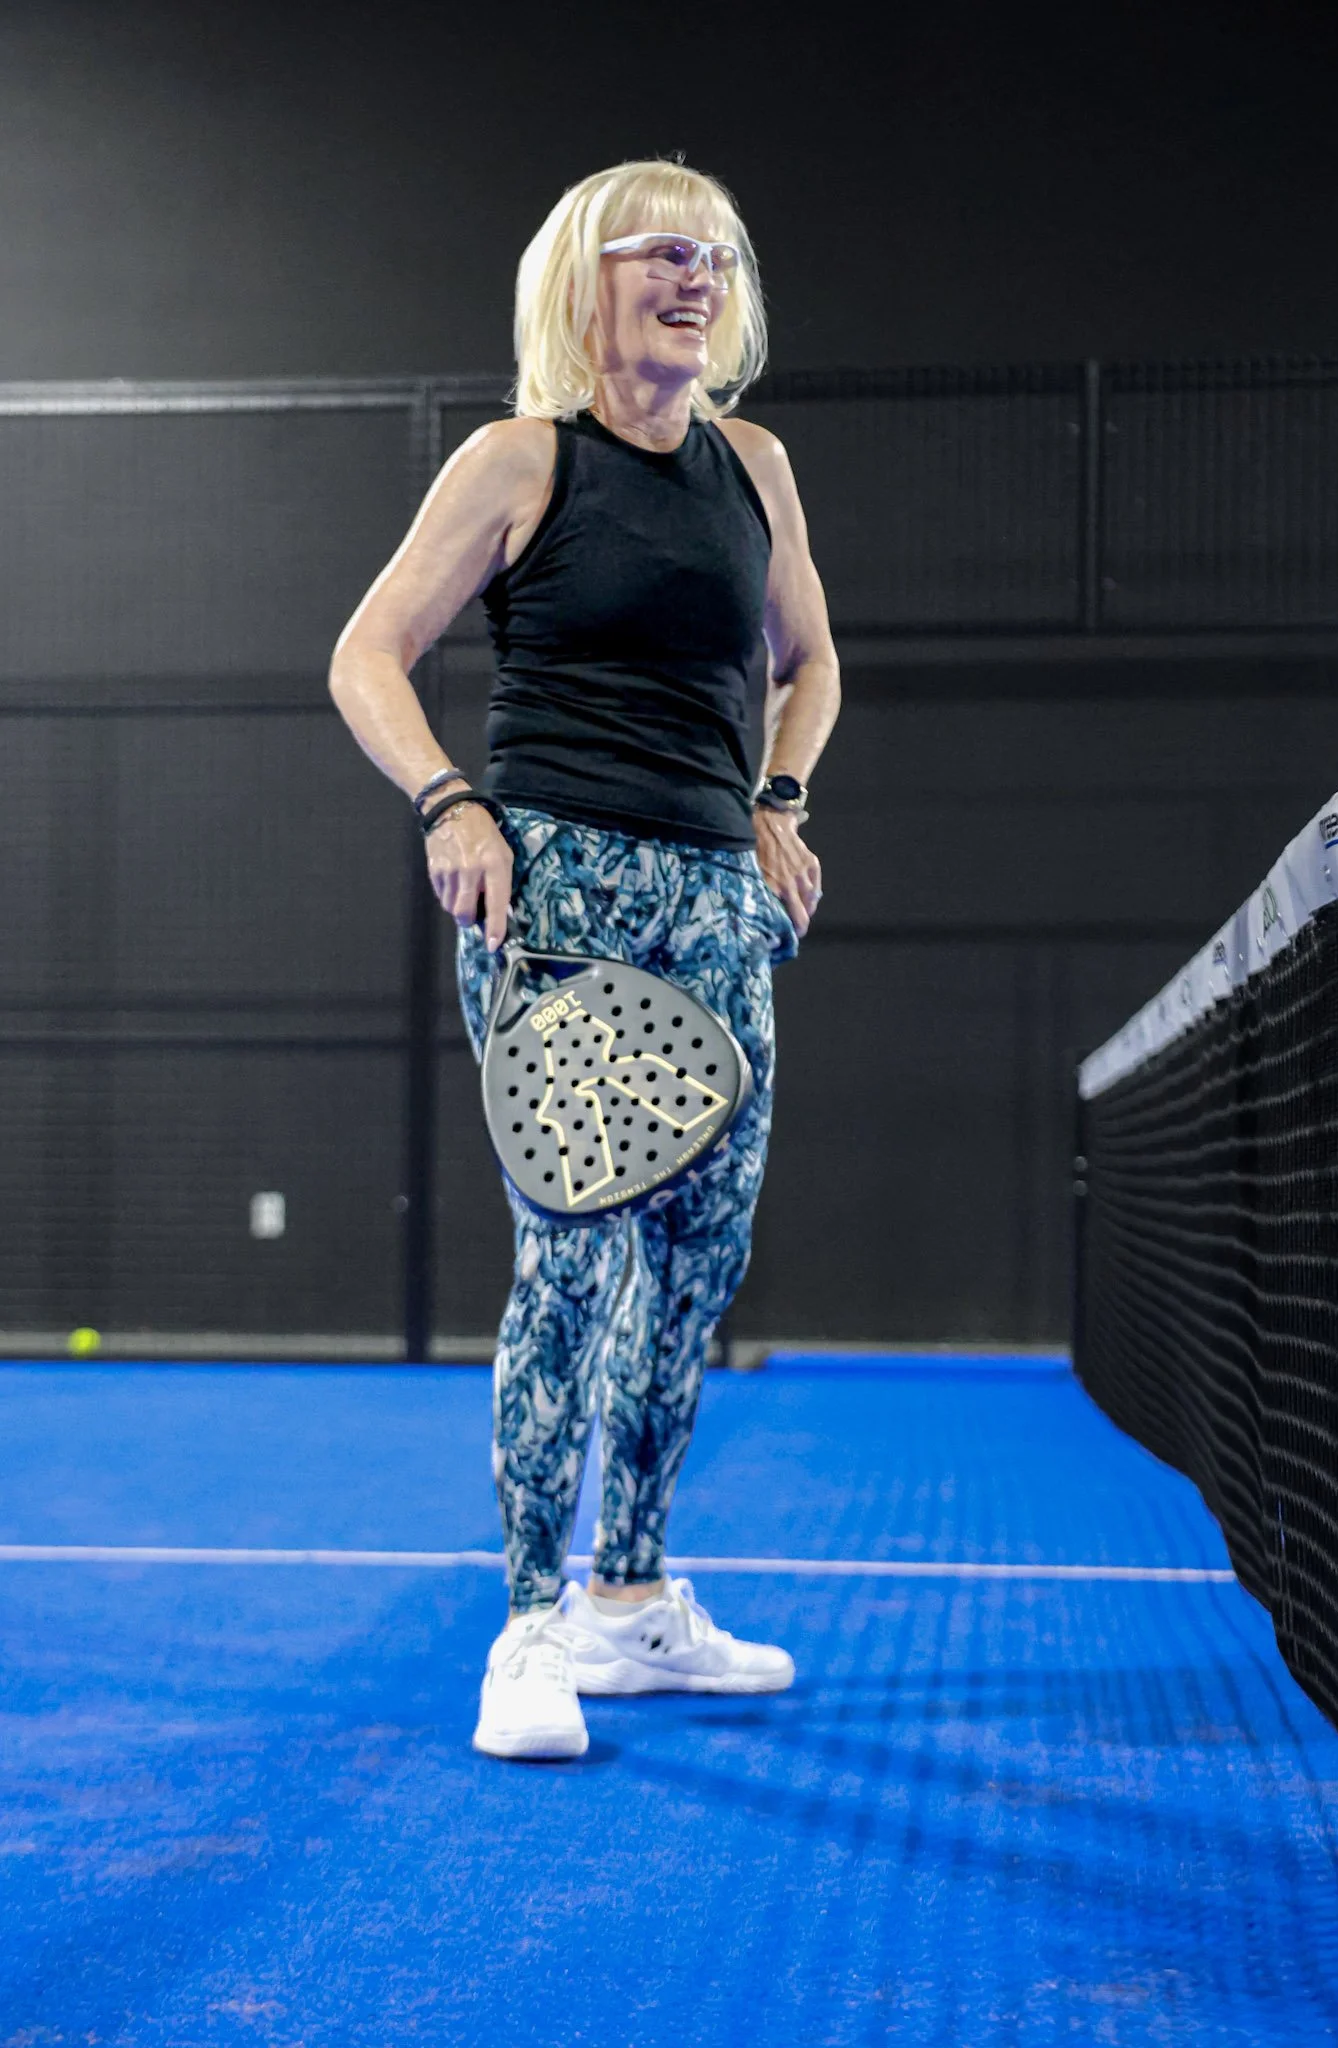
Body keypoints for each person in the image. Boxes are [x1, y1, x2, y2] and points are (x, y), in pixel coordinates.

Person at [329, 158, 840, 1760]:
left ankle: (631, 1603)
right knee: (570, 1262)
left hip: (716, 902)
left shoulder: (754, 466)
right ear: (588, 279)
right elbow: (366, 653)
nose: (696, 279)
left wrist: (777, 795)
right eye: (661, 255)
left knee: (698, 1265)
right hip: (555, 892)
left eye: (716, 259)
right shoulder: (517, 459)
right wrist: (447, 803)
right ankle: (530, 1630)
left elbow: (811, 665)